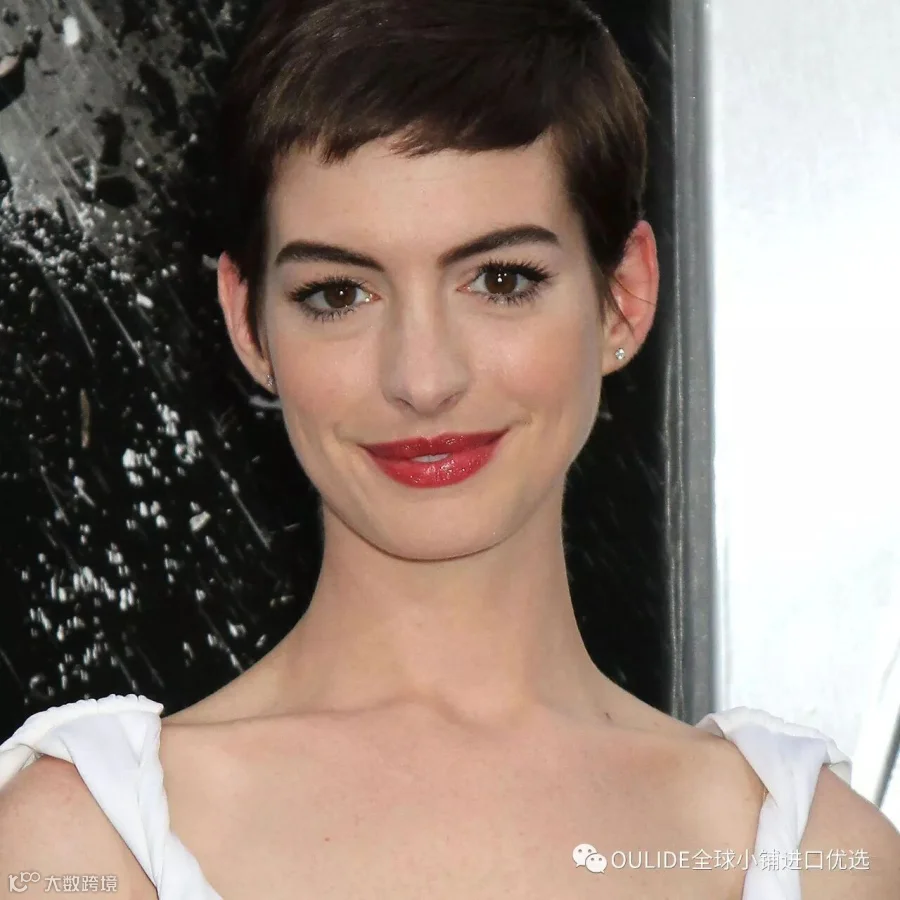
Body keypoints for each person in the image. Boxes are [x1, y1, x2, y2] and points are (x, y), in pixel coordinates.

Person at [1, 0, 898, 897]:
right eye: (338, 293)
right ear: (249, 322)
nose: (423, 379)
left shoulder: (815, 855)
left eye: (501, 280)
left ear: (622, 297)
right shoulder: (78, 843)